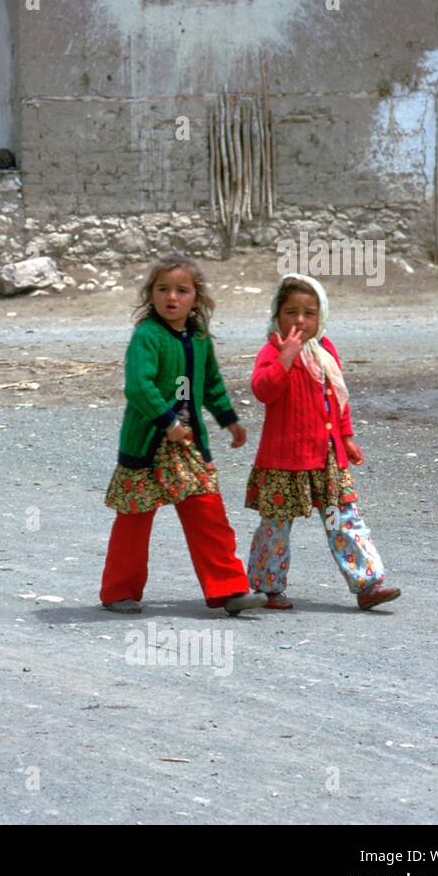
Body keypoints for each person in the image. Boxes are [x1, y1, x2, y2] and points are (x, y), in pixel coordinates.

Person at [99, 255, 263, 616]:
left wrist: (229, 420)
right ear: (150, 294)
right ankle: (118, 591)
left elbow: (212, 383)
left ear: (196, 297)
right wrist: (168, 421)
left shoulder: (199, 338)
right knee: (134, 519)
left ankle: (230, 590)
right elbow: (139, 387)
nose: (171, 297)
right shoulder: (147, 336)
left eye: (181, 290)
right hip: (148, 444)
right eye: (162, 289)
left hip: (186, 447)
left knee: (208, 512)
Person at [244, 273, 401, 611]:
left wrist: (346, 437)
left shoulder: (326, 352)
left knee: (342, 518)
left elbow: (335, 400)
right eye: (291, 312)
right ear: (277, 314)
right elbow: (264, 390)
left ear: (321, 317)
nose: (300, 320)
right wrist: (286, 357)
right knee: (276, 526)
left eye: (309, 313)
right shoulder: (271, 351)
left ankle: (367, 584)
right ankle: (268, 588)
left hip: (326, 456)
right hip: (283, 460)